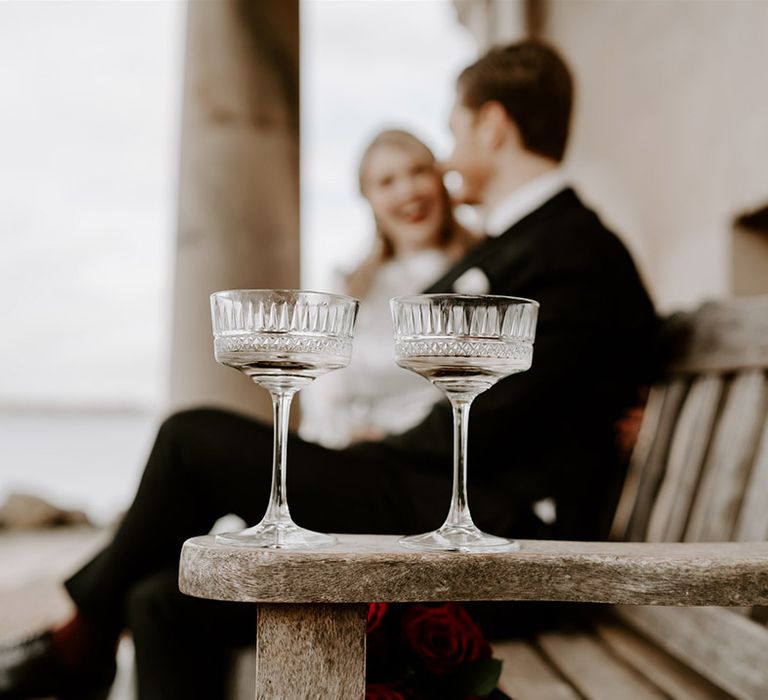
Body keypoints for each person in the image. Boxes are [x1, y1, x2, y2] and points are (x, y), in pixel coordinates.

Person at [0, 39, 660, 700]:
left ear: (492, 125)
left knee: (191, 440)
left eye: (454, 130)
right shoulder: (526, 243)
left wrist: (376, 450)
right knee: (159, 599)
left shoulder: (572, 249)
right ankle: (85, 637)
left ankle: (77, 642)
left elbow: (507, 416)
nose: (451, 154)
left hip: (493, 534)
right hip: (436, 498)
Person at [299, 128, 480, 448]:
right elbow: (322, 393)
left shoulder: (484, 269)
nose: (408, 191)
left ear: (440, 179)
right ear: (368, 198)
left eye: (418, 171)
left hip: (446, 455)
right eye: (387, 182)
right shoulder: (347, 284)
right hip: (356, 456)